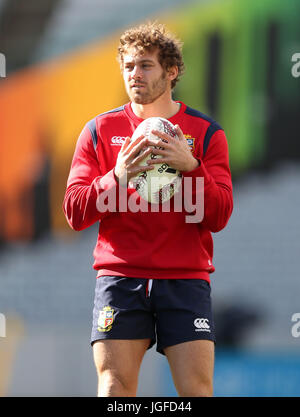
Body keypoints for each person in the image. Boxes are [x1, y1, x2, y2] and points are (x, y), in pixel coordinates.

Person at [63, 22, 233, 397]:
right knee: (114, 388)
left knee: (197, 390)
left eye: (145, 65)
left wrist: (192, 167)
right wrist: (117, 175)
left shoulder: (205, 133)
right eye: (128, 67)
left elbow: (219, 216)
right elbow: (74, 212)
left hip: (185, 279)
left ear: (171, 71)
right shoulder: (99, 131)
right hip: (120, 279)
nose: (134, 75)